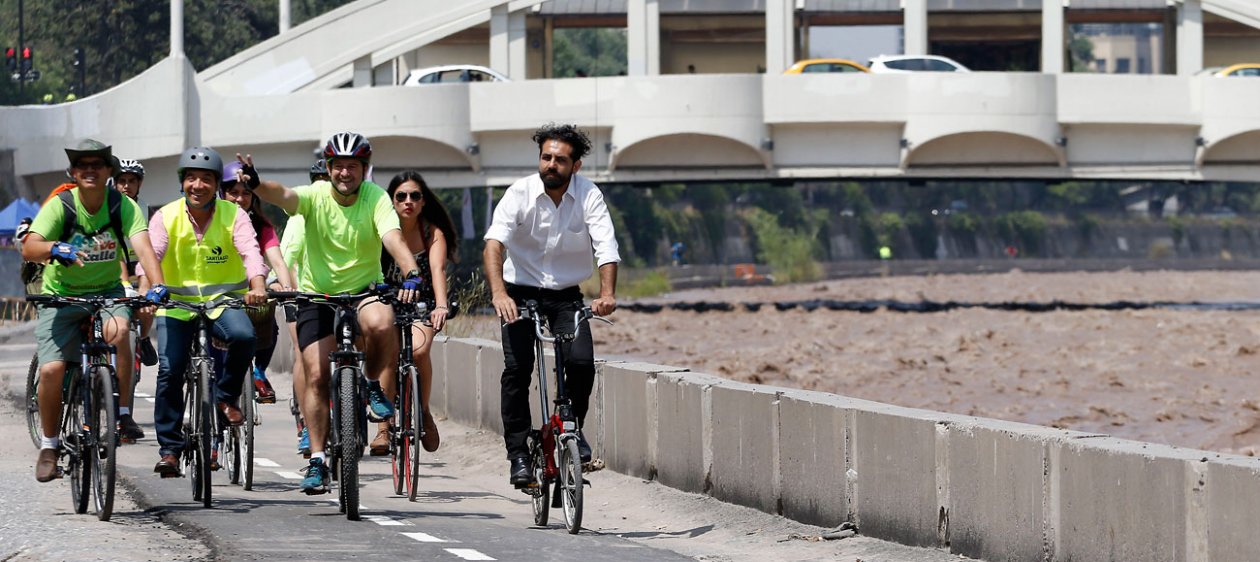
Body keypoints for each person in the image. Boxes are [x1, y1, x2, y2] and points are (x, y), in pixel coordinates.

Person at [244, 132, 422, 494]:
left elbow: (392, 238)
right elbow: (285, 196)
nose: (345, 173)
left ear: (364, 169)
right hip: (316, 296)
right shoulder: (314, 196)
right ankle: (318, 460)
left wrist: (411, 272)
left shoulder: (376, 198)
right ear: (328, 169)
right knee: (316, 375)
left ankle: (372, 383)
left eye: (352, 167)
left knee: (383, 322)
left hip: (363, 292)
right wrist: (259, 185)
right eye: (338, 166)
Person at [483, 123, 620, 487]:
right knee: (517, 370)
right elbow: (494, 245)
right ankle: (518, 455)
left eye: (560, 160)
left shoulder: (589, 196)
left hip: (564, 296)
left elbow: (606, 246)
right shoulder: (519, 193)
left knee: (580, 362)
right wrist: (499, 295)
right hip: (518, 291)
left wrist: (606, 294)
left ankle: (572, 425)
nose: (551, 165)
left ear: (575, 166)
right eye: (546, 157)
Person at [22, 139, 166, 482]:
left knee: (120, 334)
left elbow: (144, 248)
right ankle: (50, 444)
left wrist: (157, 285)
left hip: (107, 292)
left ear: (108, 173)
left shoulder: (122, 206)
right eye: (82, 165)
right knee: (53, 369)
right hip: (62, 297)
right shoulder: (62, 205)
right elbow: (30, 246)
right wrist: (56, 248)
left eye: (97, 165)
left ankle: (121, 412)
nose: (89, 169)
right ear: (74, 172)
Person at [137, 146, 267, 477]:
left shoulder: (233, 215)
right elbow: (152, 254)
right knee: (170, 371)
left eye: (206, 179)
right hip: (176, 306)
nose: (198, 185)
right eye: (191, 178)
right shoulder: (165, 216)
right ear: (182, 183)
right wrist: (148, 289)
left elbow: (251, 251)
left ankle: (225, 398)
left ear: (215, 185)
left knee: (244, 336)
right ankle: (169, 450)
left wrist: (258, 285)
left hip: (223, 302)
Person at [374, 170, 456, 456]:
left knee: (419, 351)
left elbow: (437, 271)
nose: (408, 201)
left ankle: (424, 414)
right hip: (385, 300)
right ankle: (383, 428)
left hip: (422, 303)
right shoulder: (381, 229)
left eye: (415, 196)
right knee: (386, 354)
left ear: (423, 202)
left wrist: (442, 306)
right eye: (401, 196)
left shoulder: (432, 233)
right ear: (392, 202)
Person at [221, 160, 296, 403]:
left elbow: (278, 261)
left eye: (246, 193)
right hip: (216, 292)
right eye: (233, 193)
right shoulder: (211, 222)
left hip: (253, 288)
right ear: (222, 194)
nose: (240, 199)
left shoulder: (263, 226)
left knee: (269, 313)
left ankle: (258, 372)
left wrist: (286, 289)